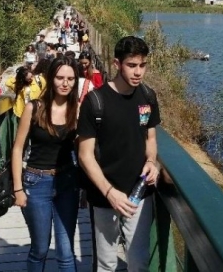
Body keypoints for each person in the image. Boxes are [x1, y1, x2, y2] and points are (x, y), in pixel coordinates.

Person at [78, 36, 160, 272]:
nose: (138, 72)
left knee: (138, 260)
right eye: (131, 65)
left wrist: (152, 161)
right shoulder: (95, 102)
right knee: (106, 263)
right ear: (116, 64)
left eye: (142, 65)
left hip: (139, 193)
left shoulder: (148, 96)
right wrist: (109, 192)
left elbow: (150, 137)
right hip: (105, 196)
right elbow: (85, 155)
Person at [12, 55, 80, 272]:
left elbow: (85, 150)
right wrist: (18, 188)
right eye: (60, 77)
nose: (65, 83)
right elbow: (17, 148)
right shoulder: (34, 108)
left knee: (66, 251)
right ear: (51, 78)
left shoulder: (76, 110)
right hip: (36, 181)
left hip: (67, 182)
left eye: (70, 78)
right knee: (40, 249)